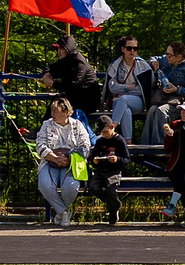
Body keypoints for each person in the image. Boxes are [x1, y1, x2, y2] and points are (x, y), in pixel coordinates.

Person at [31, 96, 89, 227]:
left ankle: (59, 213)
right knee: (45, 185)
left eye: (56, 112)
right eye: (52, 111)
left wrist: (69, 157)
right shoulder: (46, 125)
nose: (53, 115)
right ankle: (64, 212)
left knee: (71, 187)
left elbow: (85, 145)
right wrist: (54, 157)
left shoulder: (77, 125)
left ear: (66, 112)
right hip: (50, 160)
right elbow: (40, 144)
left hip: (71, 162)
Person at [146, 41, 185, 141]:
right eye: (166, 53)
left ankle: (159, 146)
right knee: (152, 110)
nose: (167, 57)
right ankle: (145, 145)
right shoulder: (166, 60)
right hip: (165, 98)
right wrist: (153, 62)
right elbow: (153, 58)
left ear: (179, 56)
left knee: (161, 111)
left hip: (181, 101)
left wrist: (177, 90)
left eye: (170, 55)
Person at [104, 36, 156, 142]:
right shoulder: (115, 66)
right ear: (123, 49)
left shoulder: (143, 66)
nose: (132, 51)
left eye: (135, 48)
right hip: (117, 101)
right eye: (129, 48)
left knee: (124, 99)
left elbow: (143, 90)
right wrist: (129, 87)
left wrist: (122, 89)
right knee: (126, 111)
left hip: (138, 101)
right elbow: (112, 87)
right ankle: (128, 143)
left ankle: (113, 125)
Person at [84, 113, 128, 225]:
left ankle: (112, 210)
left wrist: (117, 159)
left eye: (105, 132)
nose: (103, 135)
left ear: (111, 127)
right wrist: (94, 160)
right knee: (93, 188)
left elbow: (127, 160)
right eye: (101, 133)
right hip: (100, 171)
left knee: (110, 190)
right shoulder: (100, 141)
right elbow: (93, 155)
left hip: (113, 171)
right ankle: (114, 204)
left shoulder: (119, 141)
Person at [48, 35, 104, 117]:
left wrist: (53, 84)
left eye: (62, 49)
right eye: (58, 49)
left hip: (88, 100)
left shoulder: (79, 62)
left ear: (68, 49)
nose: (59, 52)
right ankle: (46, 127)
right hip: (75, 97)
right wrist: (47, 73)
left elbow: (74, 84)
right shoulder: (65, 60)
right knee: (57, 102)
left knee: (59, 103)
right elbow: (50, 67)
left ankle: (48, 127)